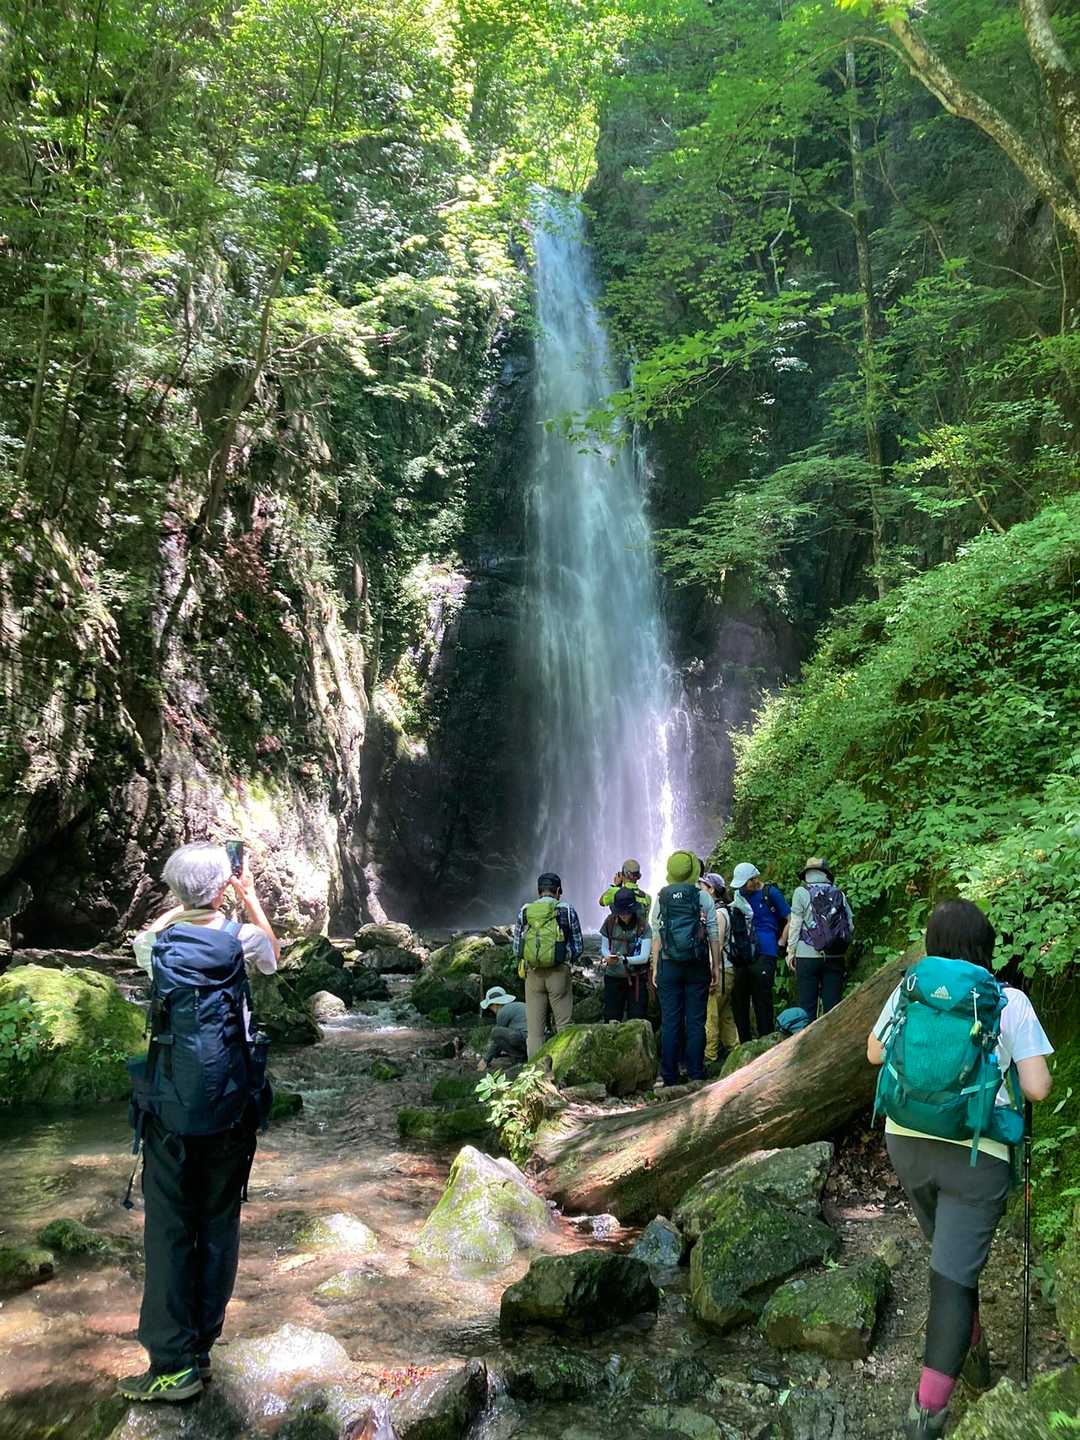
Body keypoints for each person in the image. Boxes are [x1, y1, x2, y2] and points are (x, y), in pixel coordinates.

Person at [867, 899, 1054, 1440]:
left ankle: (970, 1350)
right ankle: (926, 1416)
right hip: (977, 1156)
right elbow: (1038, 1088)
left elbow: (875, 1053)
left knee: (951, 1262)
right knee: (952, 1275)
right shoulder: (1007, 1000)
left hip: (907, 1142)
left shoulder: (911, 989)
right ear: (985, 947)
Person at [120, 842, 280, 1403]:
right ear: (222, 886)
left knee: (168, 1234)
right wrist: (246, 897)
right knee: (218, 1228)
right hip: (232, 1108)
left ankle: (172, 1365)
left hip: (168, 1111)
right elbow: (274, 956)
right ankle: (202, 1350)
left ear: (173, 890)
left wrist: (182, 904)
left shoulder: (156, 945)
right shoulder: (242, 939)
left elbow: (147, 936)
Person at [649, 851, 721, 1087]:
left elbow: (657, 935)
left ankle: (669, 1075)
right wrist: (716, 966)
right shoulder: (703, 897)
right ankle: (696, 1072)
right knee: (696, 1021)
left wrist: (655, 967)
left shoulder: (661, 898)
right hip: (697, 964)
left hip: (669, 963)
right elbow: (713, 933)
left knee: (670, 1021)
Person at [513, 872, 583, 1059]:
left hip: (533, 975)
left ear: (538, 891)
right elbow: (578, 946)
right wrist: (566, 961)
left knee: (535, 1033)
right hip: (559, 974)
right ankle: (564, 1068)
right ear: (558, 891)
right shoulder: (567, 910)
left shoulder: (525, 911)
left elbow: (517, 948)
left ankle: (534, 1071)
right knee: (564, 1026)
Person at [786, 858, 854, 1018]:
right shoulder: (838, 893)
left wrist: (791, 952)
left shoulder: (801, 892)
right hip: (835, 956)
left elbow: (795, 925)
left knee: (807, 1007)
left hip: (807, 956)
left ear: (806, 874)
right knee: (833, 1008)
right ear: (826, 874)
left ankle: (808, 1033)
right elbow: (850, 926)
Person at [729, 861, 779, 1042]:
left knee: (762, 1000)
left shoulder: (770, 893)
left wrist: (781, 943)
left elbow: (789, 917)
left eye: (745, 883)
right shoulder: (738, 896)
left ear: (754, 879)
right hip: (743, 954)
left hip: (766, 952)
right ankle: (745, 1045)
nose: (742, 887)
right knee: (739, 1000)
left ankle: (767, 1042)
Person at [700, 872, 737, 1064]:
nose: (700, 891)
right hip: (727, 969)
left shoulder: (719, 914)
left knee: (711, 1014)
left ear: (711, 889)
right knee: (725, 1014)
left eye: (702, 887)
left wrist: (711, 972)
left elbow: (718, 944)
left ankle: (710, 1056)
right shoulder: (723, 910)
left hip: (720, 970)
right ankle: (735, 1050)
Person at [599, 887, 652, 1022]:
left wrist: (623, 960)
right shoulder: (609, 922)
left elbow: (644, 957)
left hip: (636, 978)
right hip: (613, 977)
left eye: (626, 912)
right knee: (611, 1018)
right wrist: (608, 957)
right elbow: (604, 948)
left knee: (637, 1018)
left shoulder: (643, 926)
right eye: (620, 912)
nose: (623, 915)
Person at [477, 985, 527, 1067]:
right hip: (536, 1039)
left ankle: (520, 1058)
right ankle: (521, 1057)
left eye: (490, 1007)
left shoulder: (503, 1011)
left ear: (495, 1004)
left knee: (495, 1032)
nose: (491, 1010)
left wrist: (486, 1060)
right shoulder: (516, 1006)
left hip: (525, 1038)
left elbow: (497, 1039)